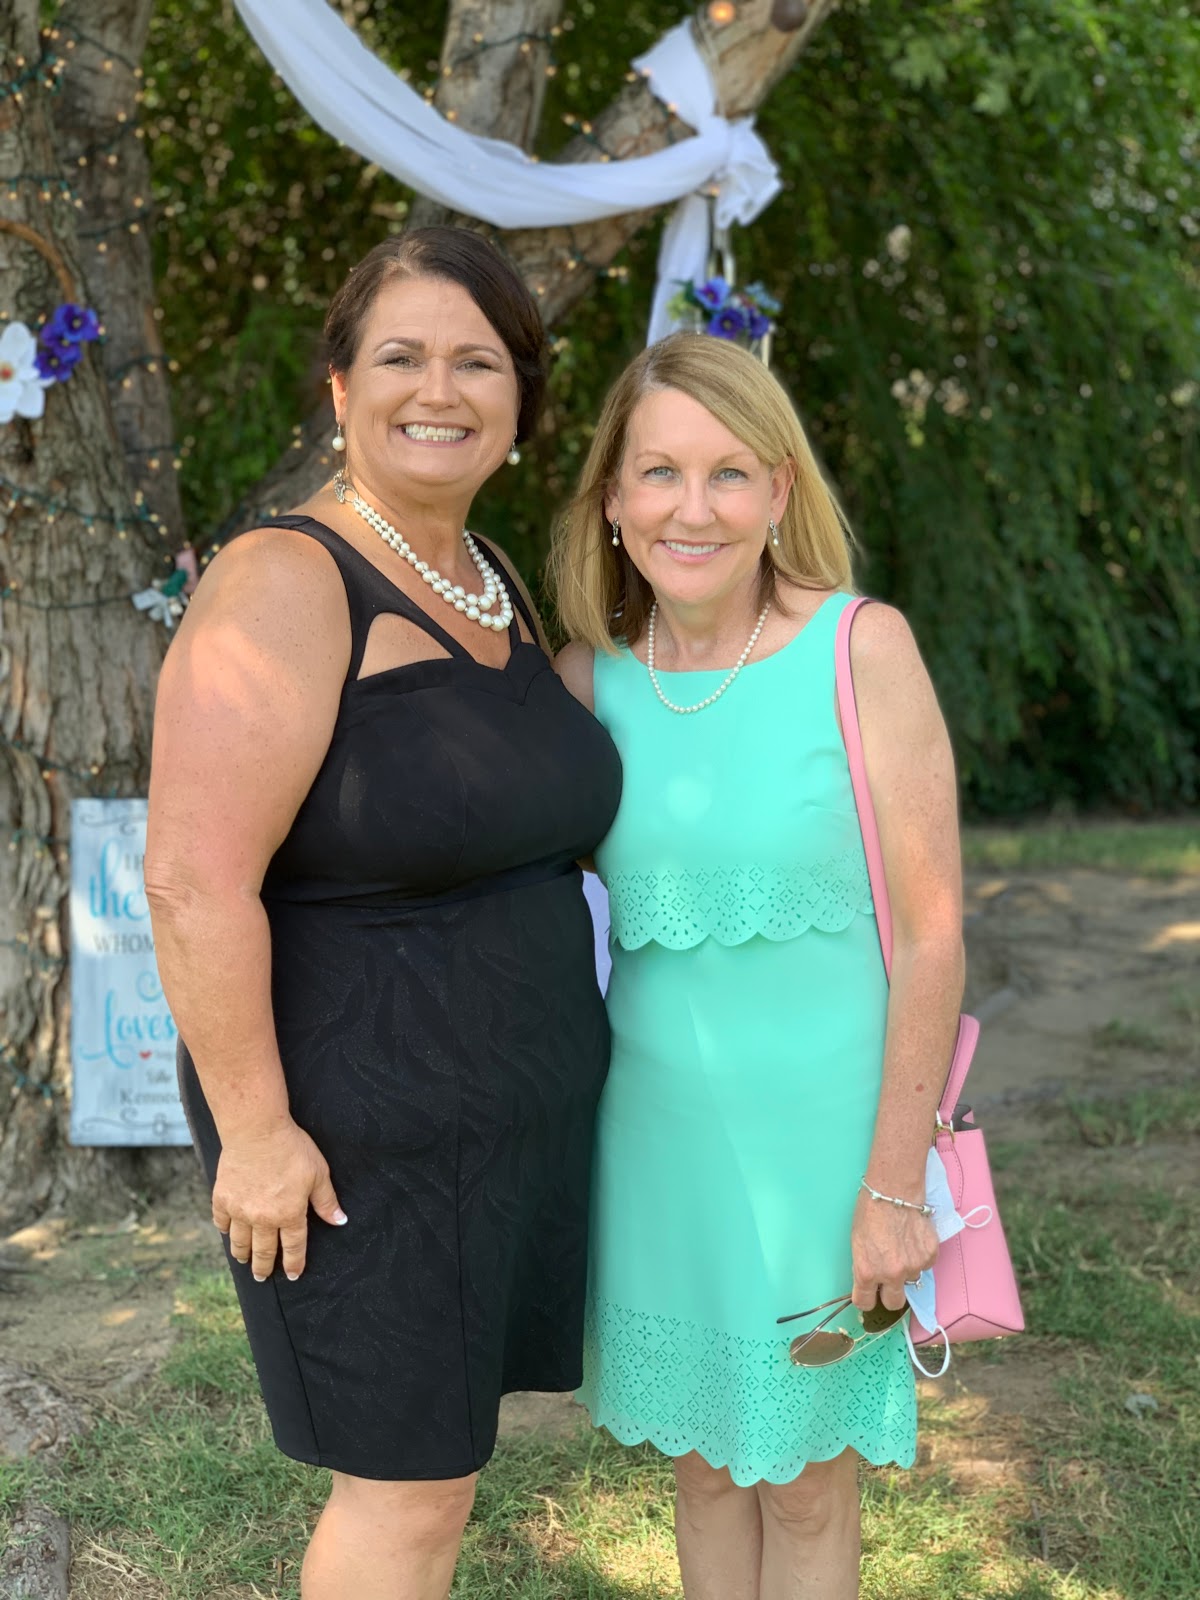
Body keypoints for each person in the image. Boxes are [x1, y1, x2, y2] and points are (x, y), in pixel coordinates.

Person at [145, 227, 622, 1600]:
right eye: (403, 356)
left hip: (500, 1116)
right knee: (403, 1495)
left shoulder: (489, 577)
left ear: (522, 402)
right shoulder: (285, 580)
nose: (441, 389)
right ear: (343, 387)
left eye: (479, 362)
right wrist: (255, 1131)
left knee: (443, 1478)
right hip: (356, 1124)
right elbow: (191, 879)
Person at [550, 332, 964, 1600]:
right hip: (657, 1149)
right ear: (612, 500)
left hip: (828, 1154)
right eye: (659, 472)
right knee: (705, 1472)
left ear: (780, 490)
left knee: (804, 1482)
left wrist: (894, 1184)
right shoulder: (586, 684)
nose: (694, 508)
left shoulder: (860, 649)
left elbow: (934, 932)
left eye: (728, 473)